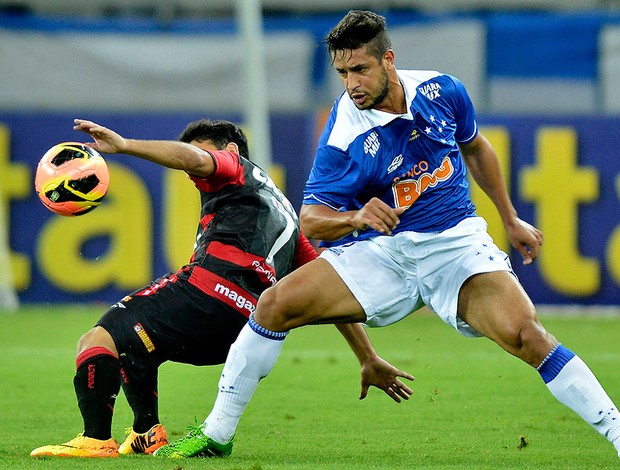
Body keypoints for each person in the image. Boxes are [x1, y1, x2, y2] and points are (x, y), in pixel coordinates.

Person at [154, 9, 620, 461]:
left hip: (455, 246)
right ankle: (217, 433)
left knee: (528, 336)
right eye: (342, 73)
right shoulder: (343, 133)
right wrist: (356, 218)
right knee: (274, 305)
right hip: (384, 253)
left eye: (360, 69)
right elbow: (311, 220)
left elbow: (475, 147)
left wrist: (510, 217)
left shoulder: (442, 90)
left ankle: (617, 432)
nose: (352, 83)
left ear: (388, 60)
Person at [30, 117, 328, 458]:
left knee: (100, 338)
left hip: (207, 296)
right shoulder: (282, 212)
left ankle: (95, 439)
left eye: (197, 153)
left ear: (230, 151)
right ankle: (146, 432)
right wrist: (368, 358)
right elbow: (325, 284)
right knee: (137, 345)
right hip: (244, 330)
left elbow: (197, 160)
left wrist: (124, 145)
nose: (192, 168)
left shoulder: (235, 166)